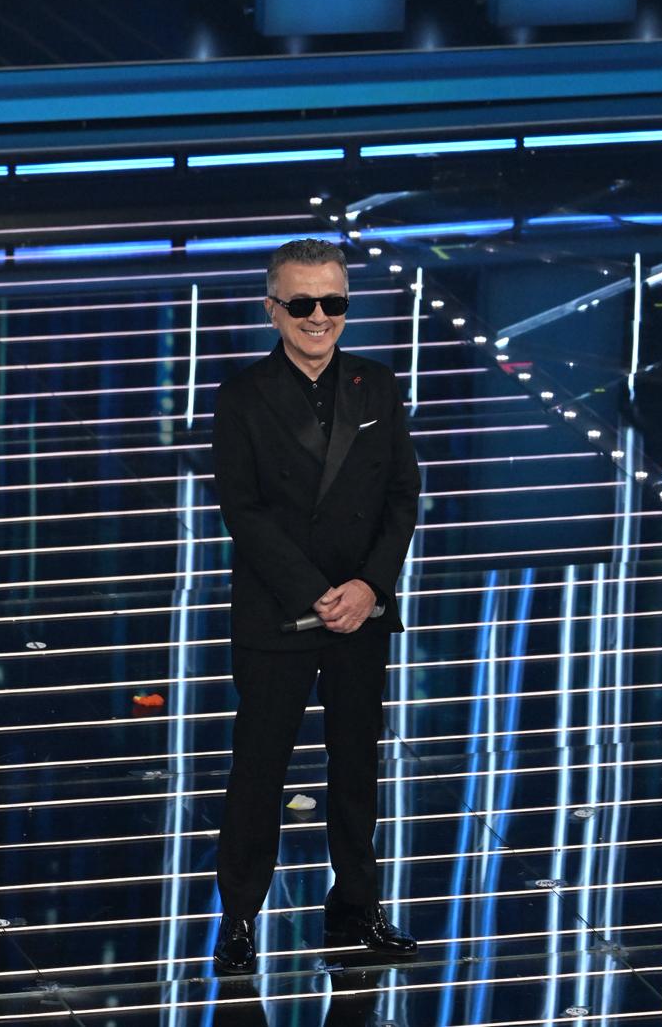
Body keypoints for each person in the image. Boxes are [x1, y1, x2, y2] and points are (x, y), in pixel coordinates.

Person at [210, 238, 421, 973]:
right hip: (278, 613)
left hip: (361, 613)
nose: (319, 317)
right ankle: (239, 917)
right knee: (258, 769)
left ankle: (358, 907)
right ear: (273, 310)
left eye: (333, 302)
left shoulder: (377, 385)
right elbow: (243, 511)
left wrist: (369, 588)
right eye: (302, 303)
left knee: (357, 767)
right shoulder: (243, 395)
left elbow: (402, 496)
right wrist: (316, 593)